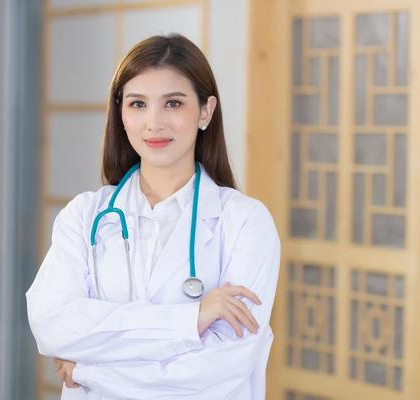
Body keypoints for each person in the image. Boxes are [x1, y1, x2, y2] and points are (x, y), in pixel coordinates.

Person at [26, 34, 281, 399]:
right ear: (121, 114)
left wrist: (88, 369)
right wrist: (190, 320)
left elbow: (223, 368)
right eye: (138, 104)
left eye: (173, 103)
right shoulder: (85, 216)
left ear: (205, 111)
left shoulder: (246, 222)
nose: (154, 123)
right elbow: (52, 325)